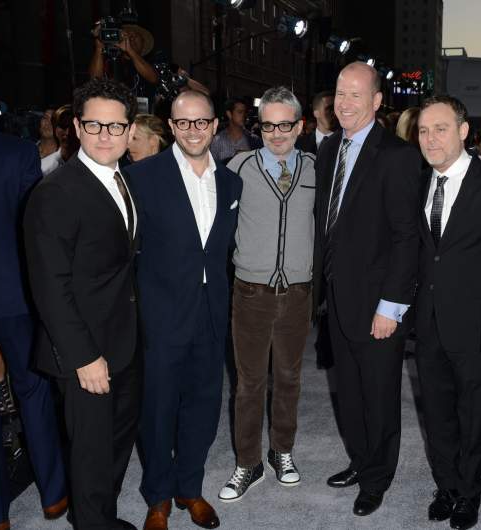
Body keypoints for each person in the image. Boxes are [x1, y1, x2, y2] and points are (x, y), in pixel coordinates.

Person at [24, 78, 141, 530]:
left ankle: (97, 518)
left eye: (116, 126)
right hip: (85, 353)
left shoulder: (119, 178)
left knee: (113, 445)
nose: (106, 136)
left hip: (123, 340)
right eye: (95, 125)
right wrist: (83, 357)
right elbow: (50, 287)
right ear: (76, 127)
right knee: (91, 455)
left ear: (131, 130)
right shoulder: (55, 193)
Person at [128, 90, 241, 530]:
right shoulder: (143, 177)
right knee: (156, 409)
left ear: (214, 126)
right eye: (184, 122)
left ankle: (189, 488)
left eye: (201, 122)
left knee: (204, 405)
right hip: (160, 314)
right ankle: (157, 497)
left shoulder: (233, 182)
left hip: (211, 313)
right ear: (171, 127)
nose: (193, 129)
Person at [313, 61, 421, 517]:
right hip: (336, 298)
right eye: (340, 93)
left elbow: (406, 237)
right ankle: (360, 461)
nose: (345, 102)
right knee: (350, 392)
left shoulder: (398, 156)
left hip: (378, 303)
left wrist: (391, 306)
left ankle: (377, 478)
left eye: (356, 94)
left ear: (377, 101)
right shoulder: (328, 148)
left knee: (379, 395)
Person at [0, 61, 67, 530]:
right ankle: (53, 495)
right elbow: (35, 228)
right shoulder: (18, 153)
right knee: (33, 391)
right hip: (14, 295)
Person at [218, 86, 315, 502]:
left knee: (290, 378)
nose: (277, 133)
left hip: (297, 292)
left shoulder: (316, 168)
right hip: (251, 292)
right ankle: (248, 462)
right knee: (249, 382)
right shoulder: (238, 166)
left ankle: (282, 451)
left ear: (300, 126)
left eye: (285, 125)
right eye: (269, 125)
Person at [415, 95, 481, 529]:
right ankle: (447, 485)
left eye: (440, 129)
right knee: (436, 412)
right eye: (423, 130)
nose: (430, 139)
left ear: (464, 131)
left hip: (477, 324)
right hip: (428, 322)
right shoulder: (418, 180)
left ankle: (469, 491)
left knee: (475, 415)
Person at [89, 22, 159, 97]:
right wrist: (99, 48)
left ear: (143, 41)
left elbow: (153, 78)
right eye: (128, 35)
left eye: (136, 36)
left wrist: (130, 50)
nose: (131, 38)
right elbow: (95, 80)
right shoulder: (110, 61)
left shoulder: (150, 62)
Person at [210, 97, 262, 163]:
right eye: (240, 112)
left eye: (245, 112)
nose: (243, 115)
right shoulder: (217, 141)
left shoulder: (254, 140)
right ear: (229, 114)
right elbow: (212, 168)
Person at [296, 90, 337, 154]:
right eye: (329, 109)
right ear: (316, 113)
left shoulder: (347, 143)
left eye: (337, 109)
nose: (334, 113)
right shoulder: (298, 144)